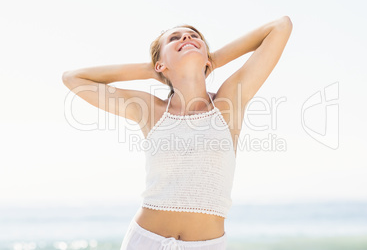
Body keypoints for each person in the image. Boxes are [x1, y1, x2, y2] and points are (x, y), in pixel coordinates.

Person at [62, 16, 292, 250]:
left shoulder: (228, 103)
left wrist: (214, 59)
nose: (187, 37)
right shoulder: (151, 110)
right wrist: (151, 71)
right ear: (160, 64)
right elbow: (73, 78)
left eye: (195, 37)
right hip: (145, 240)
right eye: (175, 38)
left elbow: (280, 26)